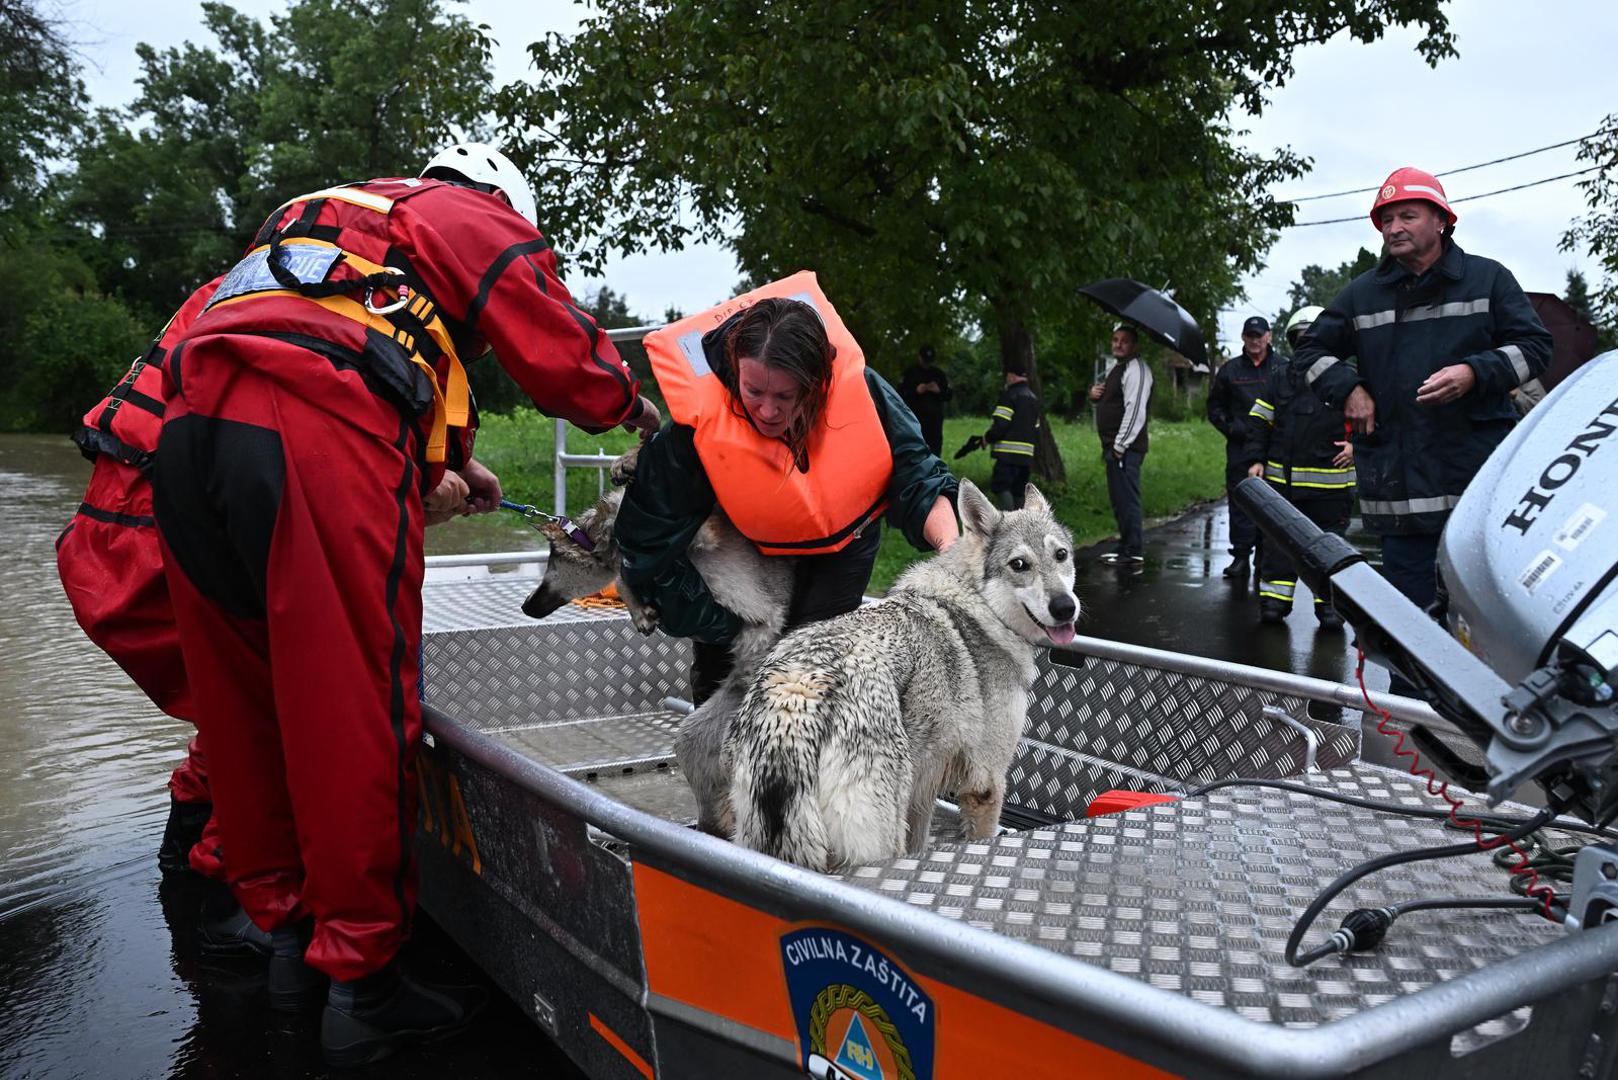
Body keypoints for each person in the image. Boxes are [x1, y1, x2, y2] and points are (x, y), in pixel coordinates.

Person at [145, 141, 661, 1066]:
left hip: (189, 440)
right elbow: (550, 344)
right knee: (354, 708)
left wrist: (445, 466)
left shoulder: (313, 216)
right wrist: (628, 405)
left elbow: (347, 347)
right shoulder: (456, 212)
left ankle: (278, 950)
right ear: (497, 200)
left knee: (246, 704)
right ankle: (363, 987)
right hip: (310, 428)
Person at [616, 272, 960, 704]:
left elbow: (920, 474)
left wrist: (951, 549)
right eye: (754, 390)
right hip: (742, 553)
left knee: (805, 683)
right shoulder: (696, 428)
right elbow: (645, 530)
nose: (767, 409)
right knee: (725, 684)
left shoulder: (863, 391)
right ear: (735, 371)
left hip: (840, 548)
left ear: (816, 385)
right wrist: (707, 617)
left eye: (785, 395)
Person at [1296, 167, 1551, 624]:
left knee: (1481, 630)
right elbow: (1309, 352)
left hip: (1477, 498)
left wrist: (1475, 372)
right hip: (1401, 501)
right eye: (1386, 219)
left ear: (1441, 221)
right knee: (1410, 635)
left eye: (1407, 216)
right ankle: (1407, 699)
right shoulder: (1362, 295)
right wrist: (1349, 388)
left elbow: (1536, 348)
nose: (1394, 228)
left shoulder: (1488, 280)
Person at [1243, 306, 1354, 627]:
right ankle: (1274, 603)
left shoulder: (1346, 378)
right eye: (1300, 339)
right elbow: (1258, 422)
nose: (1306, 345)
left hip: (1331, 488)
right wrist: (1255, 461)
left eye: (1312, 338)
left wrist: (1355, 448)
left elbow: (1373, 420)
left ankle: (1330, 607)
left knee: (1331, 548)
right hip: (1282, 486)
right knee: (1277, 546)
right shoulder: (1280, 377)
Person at [1208, 315, 1279, 579]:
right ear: (1243, 337)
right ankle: (1240, 557)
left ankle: (1265, 555)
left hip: (1273, 449)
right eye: (1250, 336)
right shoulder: (1230, 371)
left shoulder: (1282, 368)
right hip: (1239, 448)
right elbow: (1214, 408)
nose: (1255, 341)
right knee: (1240, 502)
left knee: (1271, 503)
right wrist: (1233, 428)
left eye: (1259, 336)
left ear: (1269, 336)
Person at [1088, 324, 1154, 565]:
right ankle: (1125, 545)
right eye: (1115, 339)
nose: (1118, 344)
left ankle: (1133, 550)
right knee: (1119, 499)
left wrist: (1120, 446)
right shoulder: (1118, 368)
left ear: (1134, 346)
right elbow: (1112, 402)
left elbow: (1135, 410)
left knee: (1127, 499)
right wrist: (1095, 396)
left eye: (1124, 341)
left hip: (1125, 450)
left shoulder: (1137, 369)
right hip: (1114, 448)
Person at [983, 365, 1042, 510]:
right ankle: (1022, 523)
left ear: (1012, 376)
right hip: (1026, 456)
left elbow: (1001, 424)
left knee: (1001, 486)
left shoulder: (1009, 395)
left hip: (1007, 455)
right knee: (1019, 490)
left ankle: (1009, 521)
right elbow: (1036, 429)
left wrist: (987, 438)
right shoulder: (1033, 399)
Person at [898, 344, 952, 457]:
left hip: (934, 420)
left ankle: (934, 472)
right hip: (915, 419)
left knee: (935, 450)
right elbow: (899, 394)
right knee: (915, 448)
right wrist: (915, 391)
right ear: (919, 357)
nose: (927, 363)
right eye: (925, 360)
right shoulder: (910, 373)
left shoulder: (939, 374)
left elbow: (949, 394)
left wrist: (939, 391)